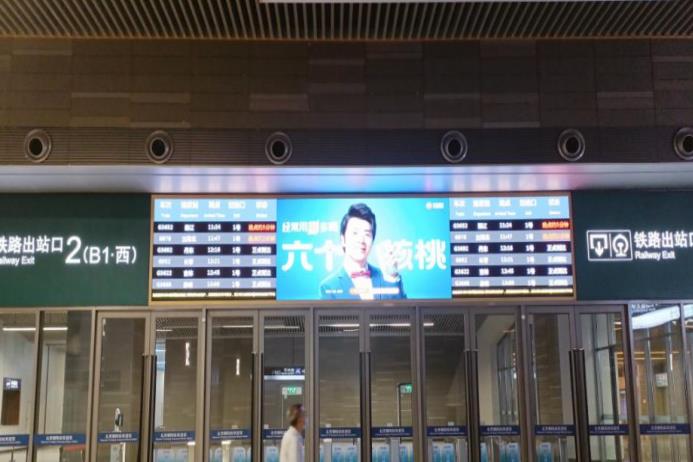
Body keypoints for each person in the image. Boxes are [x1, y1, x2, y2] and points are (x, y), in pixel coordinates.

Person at [320, 203, 406, 300]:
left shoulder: (387, 277)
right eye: (355, 233)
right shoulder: (329, 286)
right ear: (343, 240)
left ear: (372, 241)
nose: (361, 240)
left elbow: (403, 309)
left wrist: (392, 277)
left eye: (367, 234)